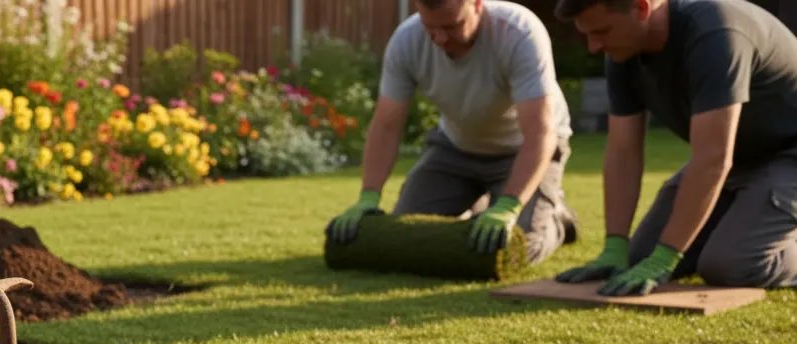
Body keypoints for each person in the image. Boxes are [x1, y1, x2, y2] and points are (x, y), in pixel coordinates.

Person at [554, 0, 797, 294]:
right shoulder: (623, 53)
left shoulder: (714, 34)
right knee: (640, 257)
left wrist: (668, 255)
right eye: (588, 35)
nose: (594, 47)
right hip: (741, 157)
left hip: (788, 155)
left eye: (602, 31)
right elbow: (622, 153)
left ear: (641, 8)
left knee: (732, 265)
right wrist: (615, 246)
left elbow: (713, 157)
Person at [326, 0, 579, 262]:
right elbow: (386, 125)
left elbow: (539, 131)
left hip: (523, 148)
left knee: (517, 245)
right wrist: (369, 195)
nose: (440, 38)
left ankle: (557, 221)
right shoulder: (407, 39)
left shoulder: (518, 32)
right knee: (409, 231)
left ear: (478, 5)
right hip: (456, 148)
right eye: (430, 27)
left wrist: (509, 205)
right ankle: (480, 206)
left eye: (452, 26)